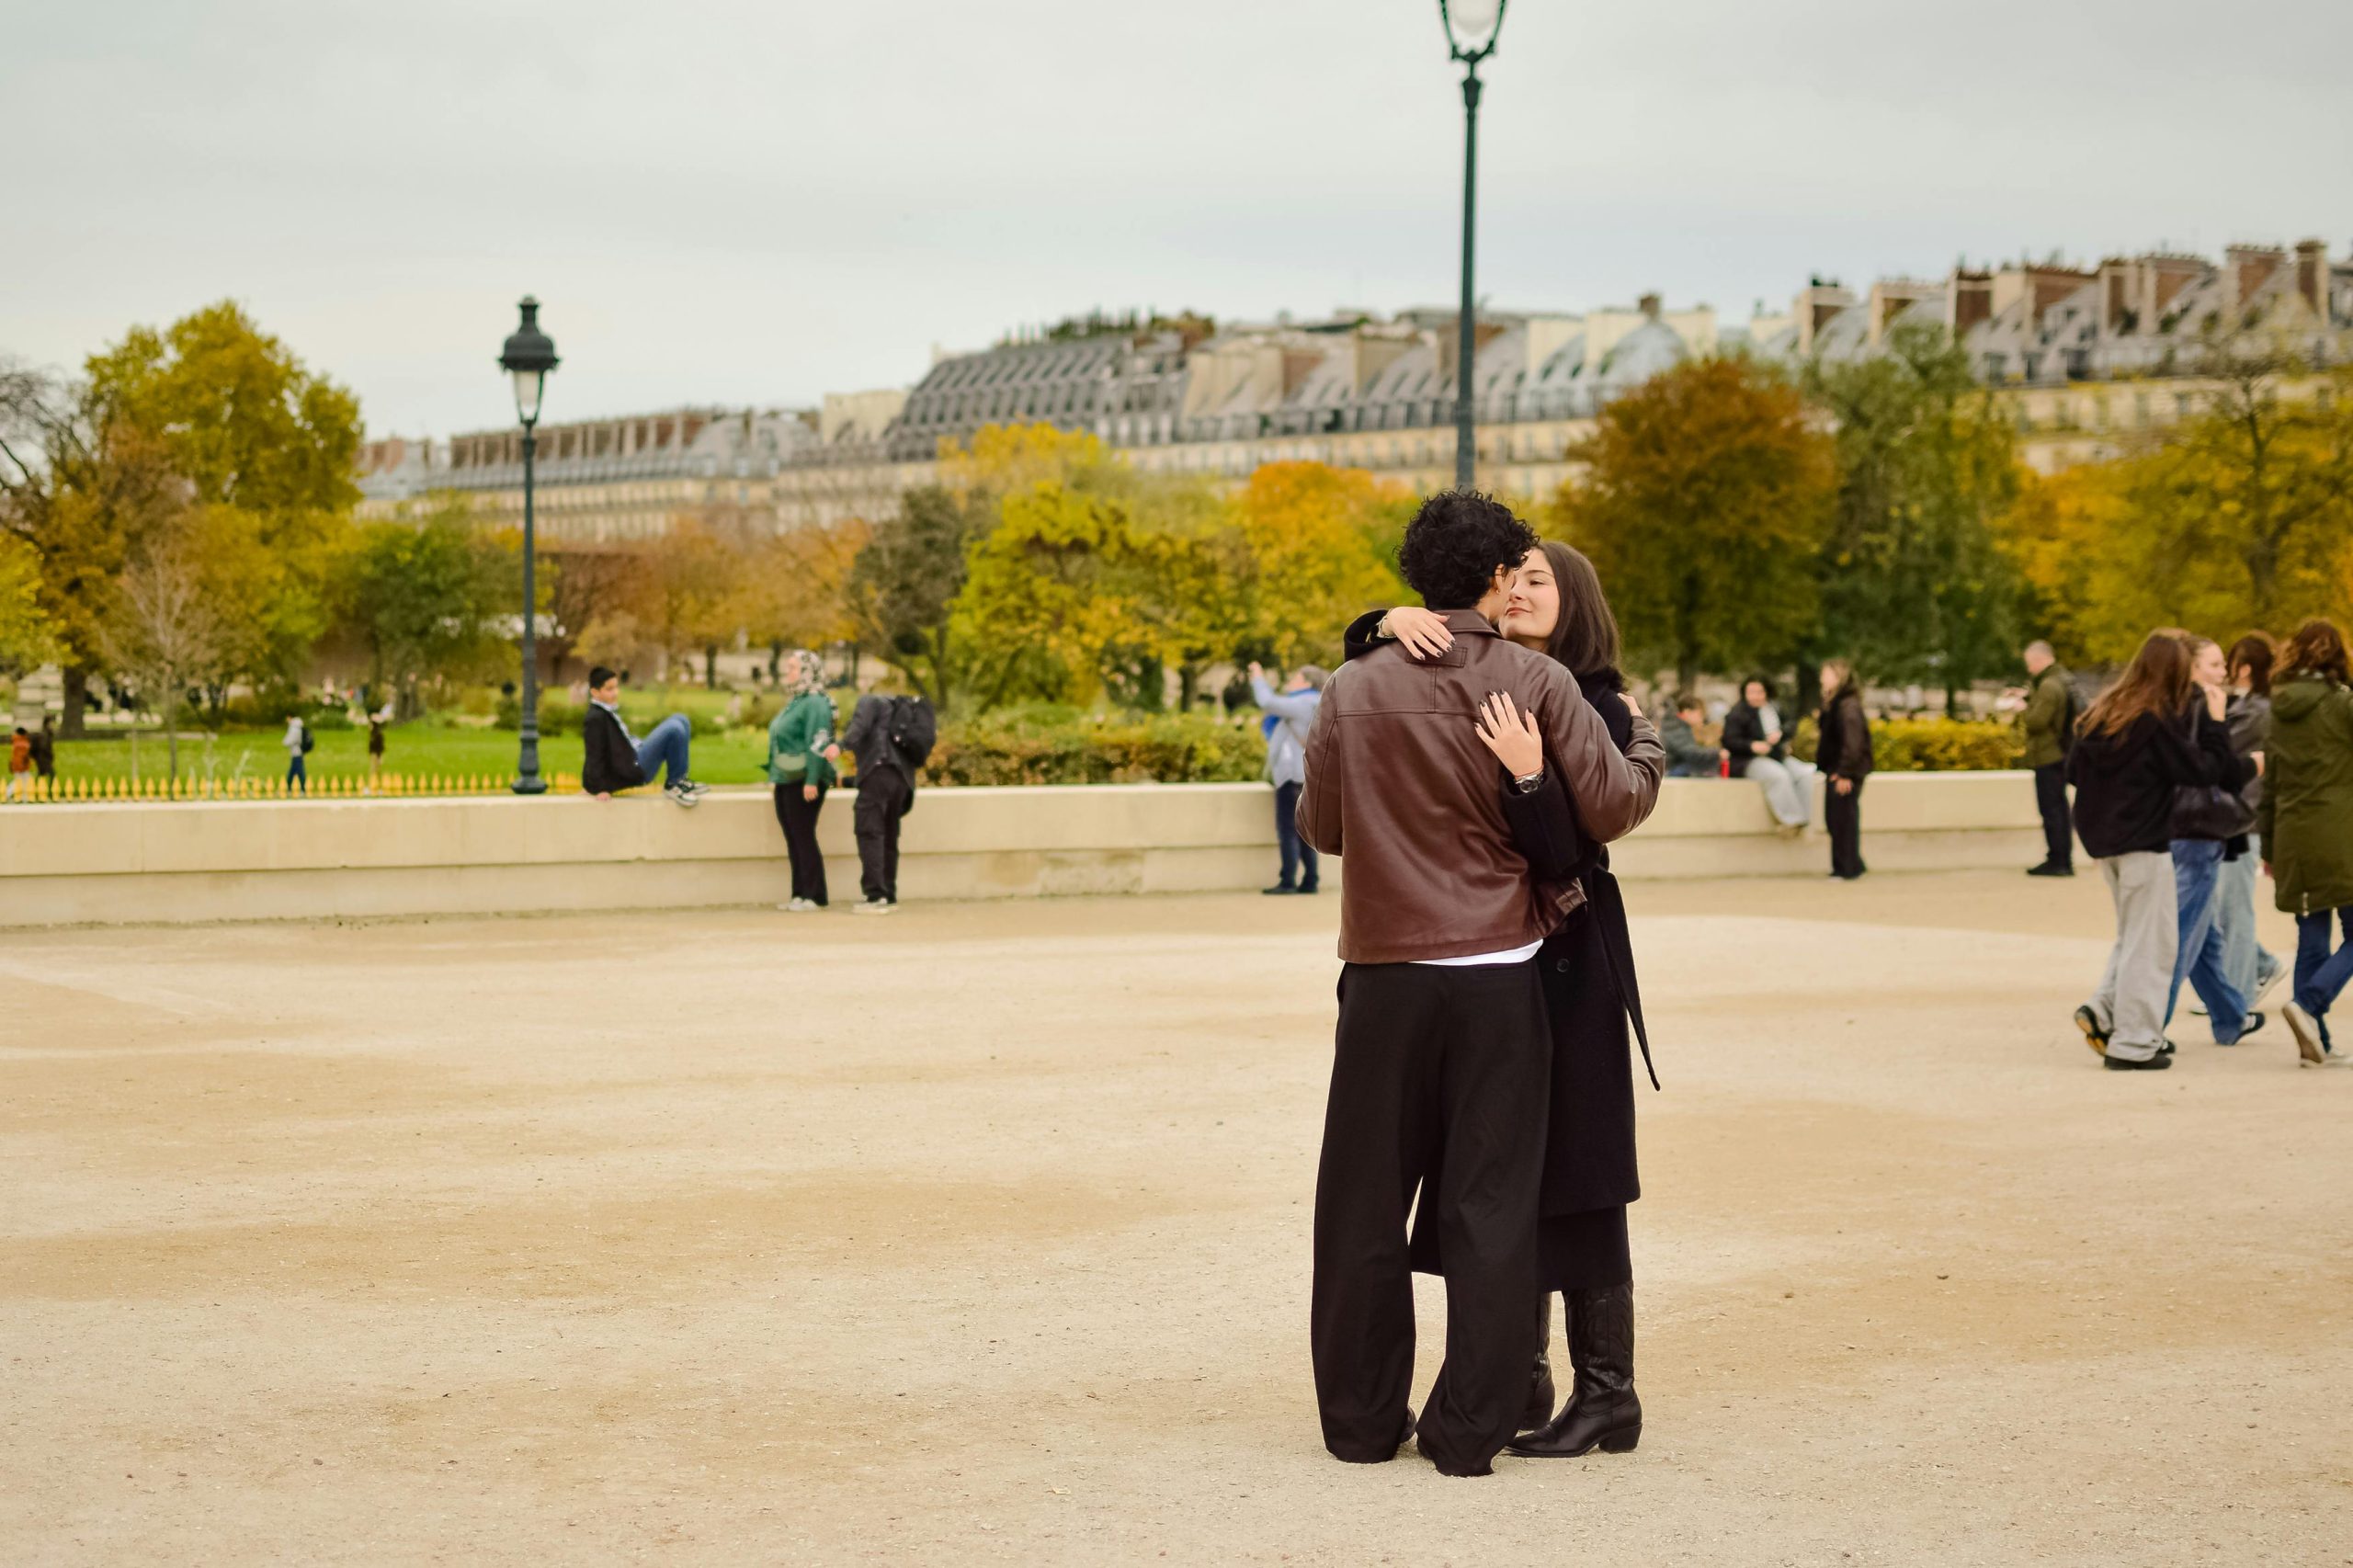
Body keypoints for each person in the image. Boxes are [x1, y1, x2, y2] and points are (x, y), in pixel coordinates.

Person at [1297, 492, 1659, 1479]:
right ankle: (1470, 1425)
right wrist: (1647, 744)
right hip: (1499, 970)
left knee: (1362, 1201)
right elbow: (1617, 804)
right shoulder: (1535, 680)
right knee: (1491, 1201)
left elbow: (1323, 829)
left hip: (1382, 970)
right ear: (1500, 577)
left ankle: (1362, 1422)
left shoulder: (1351, 684)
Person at [2066, 631, 2251, 1070]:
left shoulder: (2104, 712)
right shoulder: (2154, 720)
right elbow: (2203, 769)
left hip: (2104, 842)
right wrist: (2216, 722)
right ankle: (2134, 1042)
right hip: (2143, 842)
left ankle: (2111, 1013)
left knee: (2134, 938)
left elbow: (2075, 772)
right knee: (2152, 946)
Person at [2258, 619, 2353, 1066]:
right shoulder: (2342, 705)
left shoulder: (2276, 709)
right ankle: (2310, 1004)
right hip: (2341, 831)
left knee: (2312, 937)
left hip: (2292, 833)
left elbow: (2271, 784)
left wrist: (2268, 846)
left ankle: (2316, 1042)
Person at [2161, 637, 2265, 1046]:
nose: (2222, 672)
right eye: (2215, 664)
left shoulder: (2173, 706)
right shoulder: (2202, 707)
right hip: (2198, 829)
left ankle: (2229, 1015)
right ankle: (2150, 1025)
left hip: (2178, 828)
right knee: (2183, 934)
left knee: (2204, 935)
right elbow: (2215, 769)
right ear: (2191, 667)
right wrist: (2224, 728)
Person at [2214, 634, 2285, 1009]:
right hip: (2235, 817)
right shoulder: (2250, 706)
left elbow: (2218, 754)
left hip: (2242, 818)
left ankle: (2237, 993)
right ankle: (2257, 967)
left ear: (2243, 668)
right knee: (2223, 909)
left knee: (2233, 909)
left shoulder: (2255, 711)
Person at [835, 682, 921, 915]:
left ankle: (875, 895)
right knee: (889, 835)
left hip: (879, 772)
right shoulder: (899, 708)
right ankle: (889, 894)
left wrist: (840, 745)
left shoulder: (869, 701)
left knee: (869, 831)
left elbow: (859, 727)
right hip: (902, 779)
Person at [767, 651, 837, 911]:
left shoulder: (816, 703)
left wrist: (812, 779)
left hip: (805, 779)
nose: (788, 672)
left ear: (808, 671)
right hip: (787, 777)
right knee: (793, 836)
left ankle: (815, 895)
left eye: (793, 668)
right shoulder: (797, 701)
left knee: (803, 835)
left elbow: (818, 742)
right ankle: (799, 893)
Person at [1248, 660, 1324, 895]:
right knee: (1303, 830)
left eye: (1295, 677)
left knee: (1288, 829)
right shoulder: (1316, 702)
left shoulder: (1303, 702)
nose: (1290, 682)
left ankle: (1288, 881)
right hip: (1306, 774)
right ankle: (1310, 880)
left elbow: (1267, 702)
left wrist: (1258, 677)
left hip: (1292, 776)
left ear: (1306, 682)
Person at [581, 666, 704, 807]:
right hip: (635, 768)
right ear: (595, 692)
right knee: (674, 729)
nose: (615, 693)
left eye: (616, 687)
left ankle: (680, 780)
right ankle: (673, 784)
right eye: (609, 689)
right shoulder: (595, 718)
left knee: (681, 719)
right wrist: (599, 788)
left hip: (636, 753)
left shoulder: (605, 710)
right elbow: (594, 754)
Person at [1722, 677, 1813, 834]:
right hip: (1748, 760)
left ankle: (1804, 819)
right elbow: (1729, 740)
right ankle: (1791, 819)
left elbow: (1791, 725)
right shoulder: (1737, 713)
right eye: (1751, 692)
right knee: (1778, 776)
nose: (1755, 696)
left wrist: (1781, 734)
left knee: (1804, 774)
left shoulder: (1774, 709)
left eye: (1759, 692)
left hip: (1777, 756)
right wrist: (1752, 746)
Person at [2019, 641, 2077, 876]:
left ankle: (2058, 860)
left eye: (2029, 664)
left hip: (2048, 754)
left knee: (2052, 809)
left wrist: (2021, 709)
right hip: (2061, 752)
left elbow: (2036, 721)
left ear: (2038, 660)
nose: (2029, 669)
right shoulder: (2064, 679)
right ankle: (2061, 857)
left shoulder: (2048, 685)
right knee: (2059, 809)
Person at [1813, 662, 1872, 879]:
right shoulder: (1837, 705)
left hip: (1844, 771)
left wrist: (1845, 772)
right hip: (1837, 769)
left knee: (1842, 820)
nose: (1822, 678)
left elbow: (1853, 742)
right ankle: (1851, 863)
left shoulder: (1847, 707)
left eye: (1826, 674)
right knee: (1838, 818)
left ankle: (1846, 868)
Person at [1658, 691, 1725, 778]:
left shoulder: (1679, 726)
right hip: (1669, 771)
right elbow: (1690, 753)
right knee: (1702, 769)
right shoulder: (1675, 727)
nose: (1702, 719)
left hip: (1673, 768)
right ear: (1687, 712)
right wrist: (1716, 754)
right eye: (1700, 714)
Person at [363, 703, 392, 793]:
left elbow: (380, 747)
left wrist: (379, 757)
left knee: (376, 771)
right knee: (373, 771)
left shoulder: (378, 735)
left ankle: (378, 787)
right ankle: (372, 787)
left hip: (377, 755)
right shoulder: (372, 735)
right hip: (373, 754)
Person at [282, 713, 309, 793]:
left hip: (297, 753)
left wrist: (285, 742)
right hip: (297, 753)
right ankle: (291, 788)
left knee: (299, 772)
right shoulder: (297, 727)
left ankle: (301, 789)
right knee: (293, 771)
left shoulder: (294, 728)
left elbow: (289, 741)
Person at [6, 726, 28, 801]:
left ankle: (23, 797)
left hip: (18, 765)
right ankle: (7, 794)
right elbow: (22, 756)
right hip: (21, 766)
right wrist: (22, 766)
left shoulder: (16, 741)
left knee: (20, 781)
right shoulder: (22, 743)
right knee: (21, 782)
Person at [30, 715, 55, 780]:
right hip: (43, 758)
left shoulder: (46, 733)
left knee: (41, 774)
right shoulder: (45, 734)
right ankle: (51, 789)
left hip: (43, 758)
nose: (53, 725)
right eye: (52, 723)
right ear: (48, 723)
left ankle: (35, 787)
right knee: (52, 774)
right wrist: (49, 755)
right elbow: (44, 747)